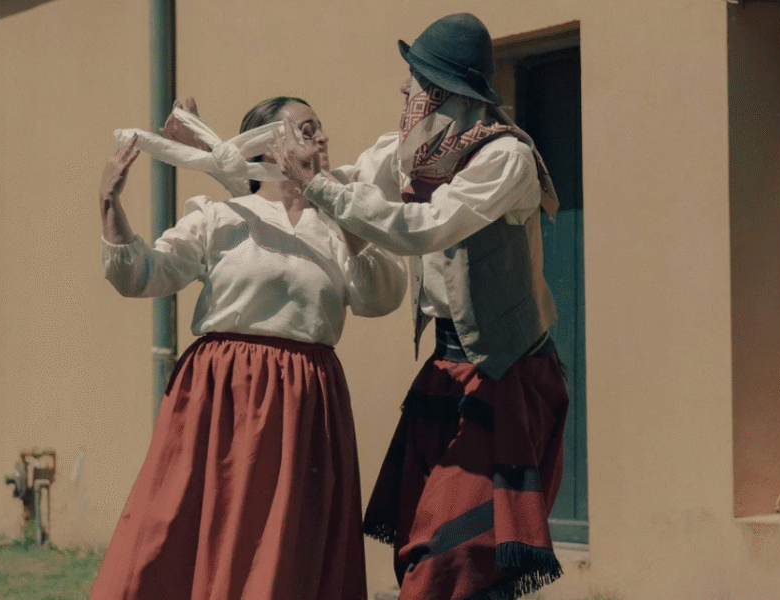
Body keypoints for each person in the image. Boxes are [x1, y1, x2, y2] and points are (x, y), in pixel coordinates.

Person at [272, 13, 570, 600]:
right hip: (448, 372)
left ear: (443, 94)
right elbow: (345, 183)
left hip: (505, 374)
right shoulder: (413, 153)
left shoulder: (504, 158)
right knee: (421, 540)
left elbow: (425, 227)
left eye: (415, 83)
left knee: (456, 555)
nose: (403, 91)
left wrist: (319, 186)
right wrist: (228, 155)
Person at [90, 96, 407, 600]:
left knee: (287, 549)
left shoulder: (338, 224)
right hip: (221, 398)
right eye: (307, 130)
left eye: (320, 128)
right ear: (268, 146)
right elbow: (142, 275)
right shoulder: (222, 217)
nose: (323, 139)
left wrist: (340, 211)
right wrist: (110, 204)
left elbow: (380, 297)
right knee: (193, 530)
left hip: (305, 405)